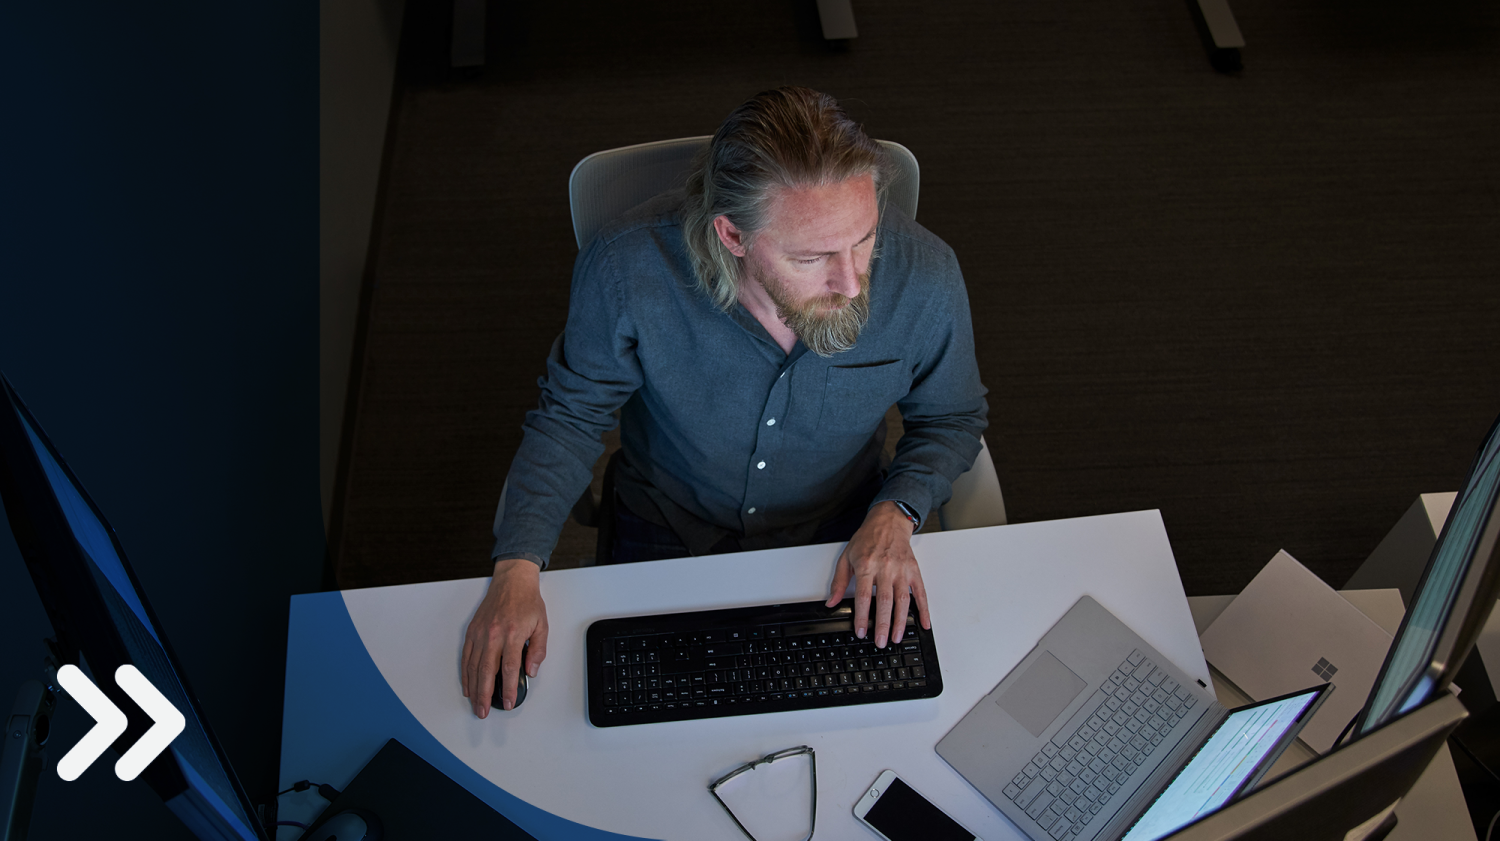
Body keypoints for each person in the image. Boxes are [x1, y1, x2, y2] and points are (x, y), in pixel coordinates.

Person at [461, 86, 988, 718]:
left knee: (864, 717)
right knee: (628, 720)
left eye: (864, 239)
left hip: (841, 530)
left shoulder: (926, 274)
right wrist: (516, 568)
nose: (851, 283)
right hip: (667, 517)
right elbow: (573, 414)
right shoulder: (628, 267)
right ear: (732, 235)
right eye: (811, 256)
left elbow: (952, 418)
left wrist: (897, 511)